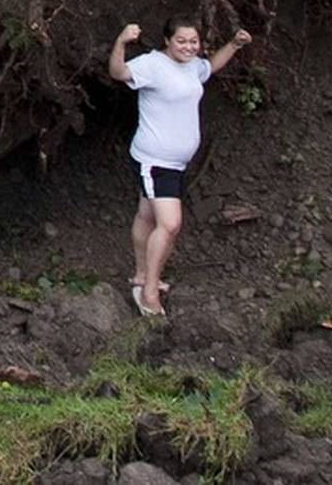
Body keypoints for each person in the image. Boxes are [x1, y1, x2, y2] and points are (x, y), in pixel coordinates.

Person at [107, 16, 254, 317]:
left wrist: (234, 45)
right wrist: (121, 41)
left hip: (176, 162)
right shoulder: (153, 64)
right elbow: (118, 72)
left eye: (193, 42)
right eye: (182, 41)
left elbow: (210, 67)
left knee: (147, 215)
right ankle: (149, 293)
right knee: (170, 224)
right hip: (154, 160)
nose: (189, 47)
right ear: (167, 41)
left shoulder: (192, 66)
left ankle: (141, 276)